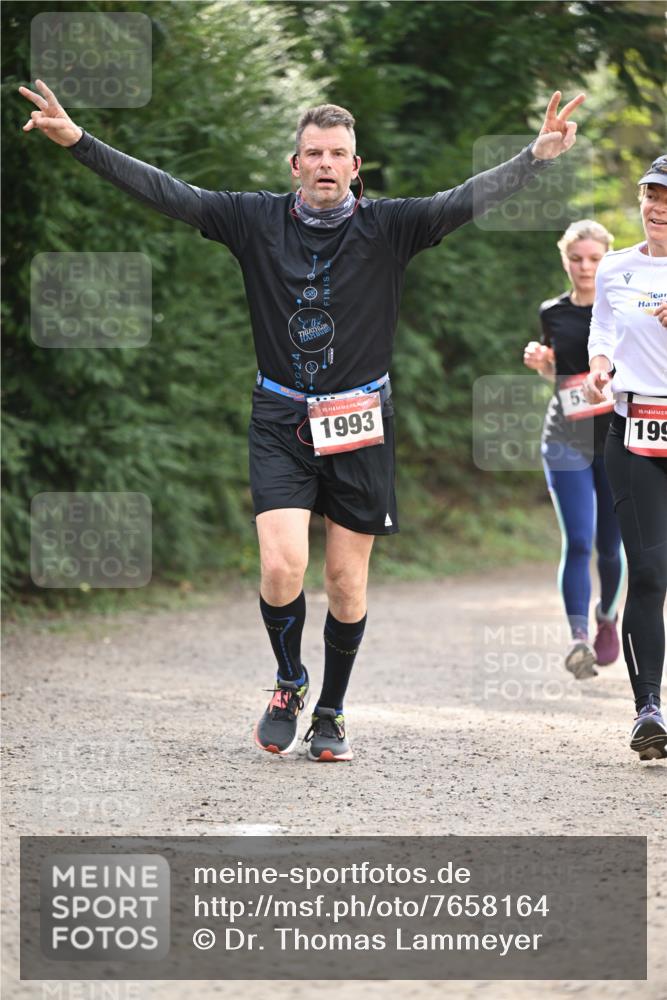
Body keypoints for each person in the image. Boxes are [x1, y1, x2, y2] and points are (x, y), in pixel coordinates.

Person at [20, 79, 584, 762]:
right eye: (313, 152)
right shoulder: (253, 220)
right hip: (280, 416)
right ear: (295, 165)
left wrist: (535, 156)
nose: (324, 163)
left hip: (359, 420)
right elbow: (169, 192)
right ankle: (289, 681)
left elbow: (463, 200)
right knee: (282, 565)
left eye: (337, 153)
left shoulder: (390, 227)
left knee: (346, 582)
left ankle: (332, 710)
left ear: (355, 165)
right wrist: (79, 141)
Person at [583, 154, 667, 761]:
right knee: (650, 573)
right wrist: (599, 367)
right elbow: (603, 330)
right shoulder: (615, 268)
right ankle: (649, 711)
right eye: (651, 195)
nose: (658, 207)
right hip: (635, 431)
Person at [523, 221, 623, 679]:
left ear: (607, 260)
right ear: (564, 260)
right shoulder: (552, 312)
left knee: (610, 547)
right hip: (565, 437)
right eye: (576, 259)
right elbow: (561, 378)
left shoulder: (623, 310)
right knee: (579, 540)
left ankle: (607, 616)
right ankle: (578, 638)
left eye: (594, 259)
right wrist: (543, 366)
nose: (585, 267)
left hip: (617, 439)